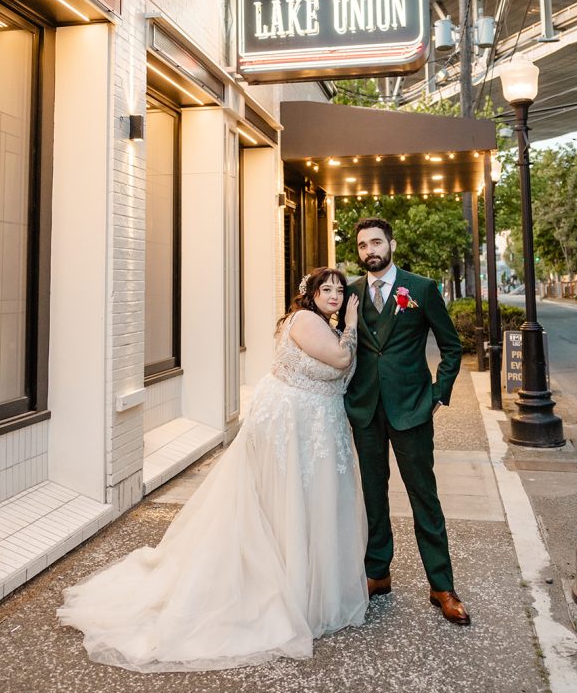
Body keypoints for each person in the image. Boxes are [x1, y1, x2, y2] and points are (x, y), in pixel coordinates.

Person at [57, 268, 367, 672]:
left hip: (309, 426)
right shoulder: (308, 320)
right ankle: (282, 589)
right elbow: (342, 358)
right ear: (309, 294)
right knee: (283, 504)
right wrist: (355, 323)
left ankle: (301, 585)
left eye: (340, 291)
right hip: (292, 424)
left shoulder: (323, 323)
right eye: (326, 289)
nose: (335, 295)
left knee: (295, 504)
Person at [344, 218, 470, 626]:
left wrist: (438, 394)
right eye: (363, 245)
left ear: (391, 244)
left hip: (412, 409)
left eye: (376, 242)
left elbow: (452, 346)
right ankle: (378, 572)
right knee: (374, 496)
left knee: (424, 496)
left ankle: (441, 585)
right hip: (365, 409)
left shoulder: (421, 289)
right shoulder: (350, 292)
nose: (369, 251)